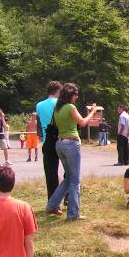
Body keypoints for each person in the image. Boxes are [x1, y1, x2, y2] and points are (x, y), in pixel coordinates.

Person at [45, 83, 100, 221]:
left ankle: (52, 205)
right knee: (75, 181)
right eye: (76, 94)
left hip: (59, 144)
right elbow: (82, 123)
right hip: (71, 143)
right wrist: (93, 112)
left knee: (69, 178)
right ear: (71, 95)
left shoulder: (58, 108)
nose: (77, 97)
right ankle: (73, 214)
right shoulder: (70, 107)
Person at [36, 81, 62, 199]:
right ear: (58, 91)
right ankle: (67, 195)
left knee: (51, 173)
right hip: (61, 138)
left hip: (47, 140)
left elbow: (39, 122)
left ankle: (53, 200)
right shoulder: (60, 103)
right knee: (69, 170)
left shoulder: (39, 105)